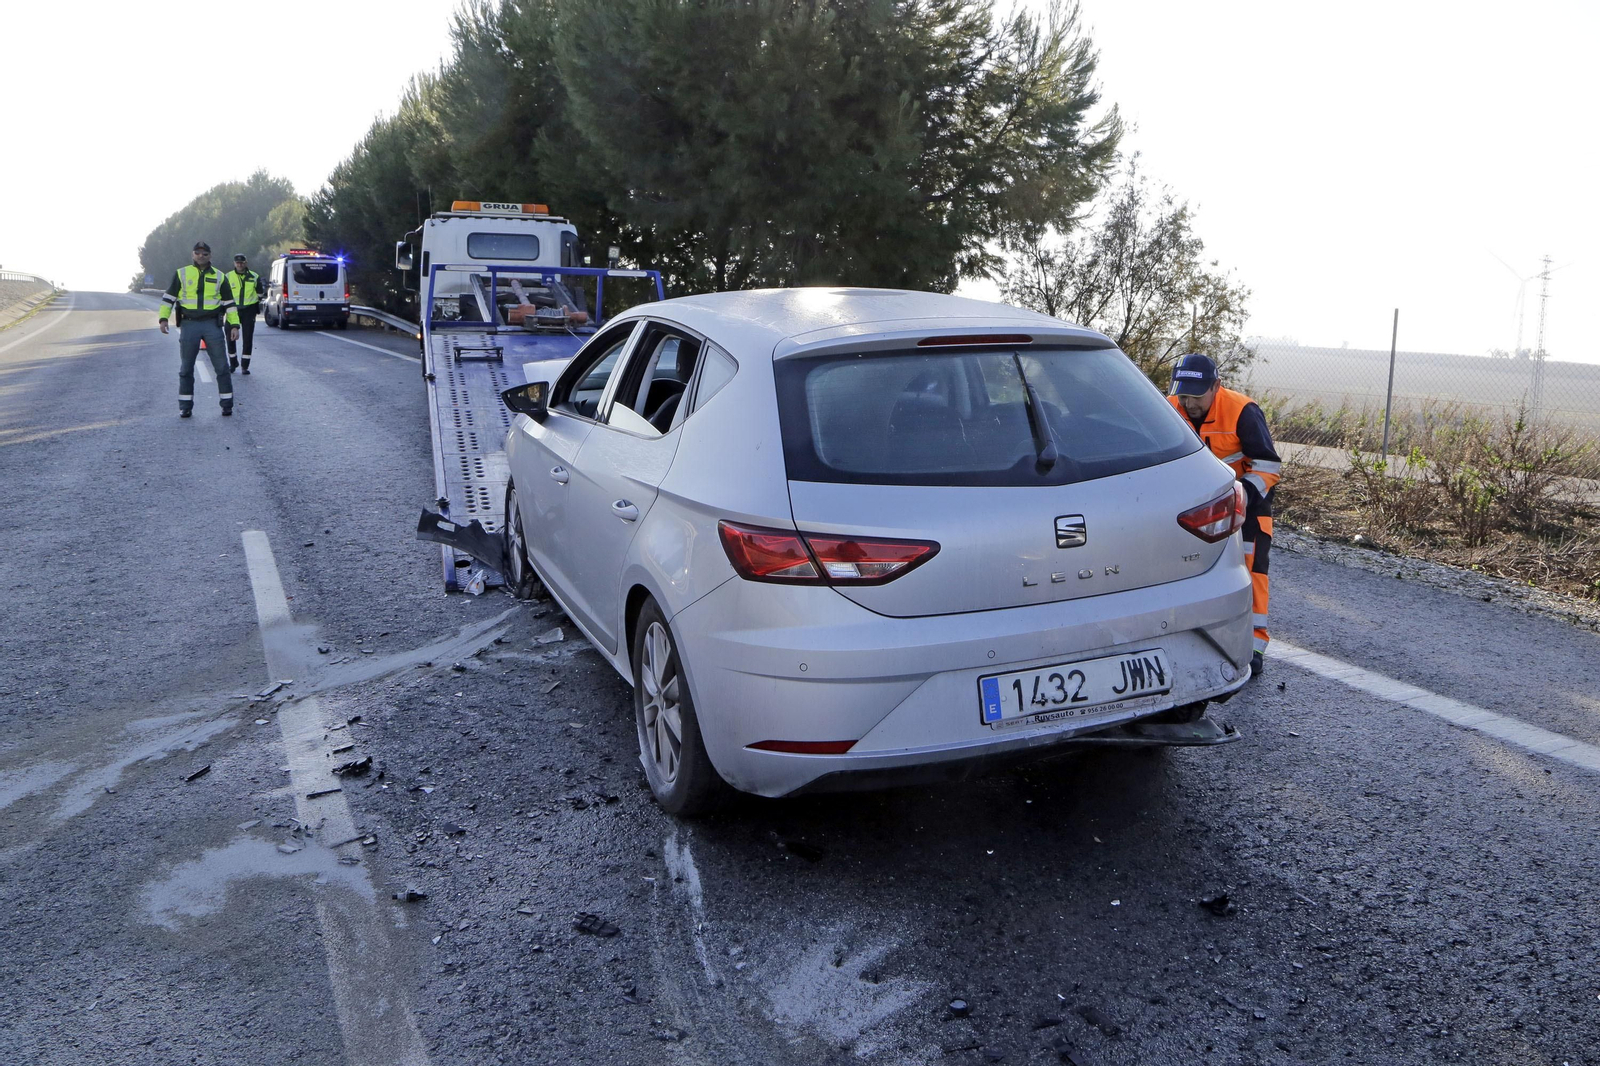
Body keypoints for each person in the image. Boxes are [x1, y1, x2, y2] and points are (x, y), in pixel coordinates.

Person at [1168, 353, 1281, 678]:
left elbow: (1268, 466)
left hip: (1247, 508)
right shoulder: (1169, 408)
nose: (1188, 403)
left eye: (1196, 395)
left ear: (1216, 386)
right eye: (1183, 393)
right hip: (1193, 511)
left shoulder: (1243, 411)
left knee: (1250, 573)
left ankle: (1254, 646)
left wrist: (1240, 494)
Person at [158, 241, 241, 417]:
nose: (201, 256)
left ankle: (227, 404)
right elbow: (168, 299)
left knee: (222, 367)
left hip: (212, 324)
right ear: (192, 254)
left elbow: (230, 304)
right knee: (186, 368)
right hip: (189, 324)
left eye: (204, 254)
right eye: (197, 253)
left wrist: (234, 325)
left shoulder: (220, 277)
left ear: (210, 256)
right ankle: (185, 406)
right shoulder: (181, 273)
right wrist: (163, 319)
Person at [224, 254, 265, 373]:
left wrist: (252, 304)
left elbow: (260, 294)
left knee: (248, 338)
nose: (240, 264)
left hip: (248, 310)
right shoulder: (228, 276)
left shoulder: (254, 276)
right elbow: (224, 293)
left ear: (246, 263)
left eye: (242, 262)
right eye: (237, 262)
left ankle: (245, 366)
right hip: (233, 310)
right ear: (234, 263)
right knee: (230, 337)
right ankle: (233, 363)